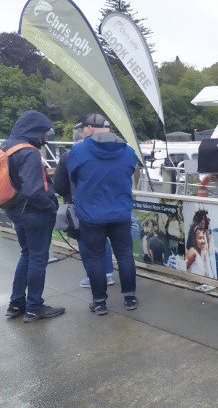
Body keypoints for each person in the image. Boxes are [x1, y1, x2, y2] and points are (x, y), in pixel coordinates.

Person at [67, 113, 139, 315]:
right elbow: (131, 172)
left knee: (96, 258)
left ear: (89, 128)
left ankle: (99, 302)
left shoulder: (79, 150)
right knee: (125, 255)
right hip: (120, 213)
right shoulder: (128, 151)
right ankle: (130, 298)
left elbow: (73, 176)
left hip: (91, 215)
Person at [2, 111, 65, 322]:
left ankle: (16, 304)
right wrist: (51, 207)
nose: (46, 137)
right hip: (34, 213)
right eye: (45, 133)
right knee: (38, 258)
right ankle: (34, 307)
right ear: (35, 131)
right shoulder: (29, 152)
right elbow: (33, 190)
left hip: (14, 209)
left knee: (26, 254)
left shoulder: (7, 147)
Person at [53, 121, 115, 288]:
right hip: (108, 203)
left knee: (85, 241)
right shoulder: (109, 151)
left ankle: (94, 278)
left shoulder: (69, 155)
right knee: (104, 239)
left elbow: (58, 185)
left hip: (80, 206)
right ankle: (108, 273)